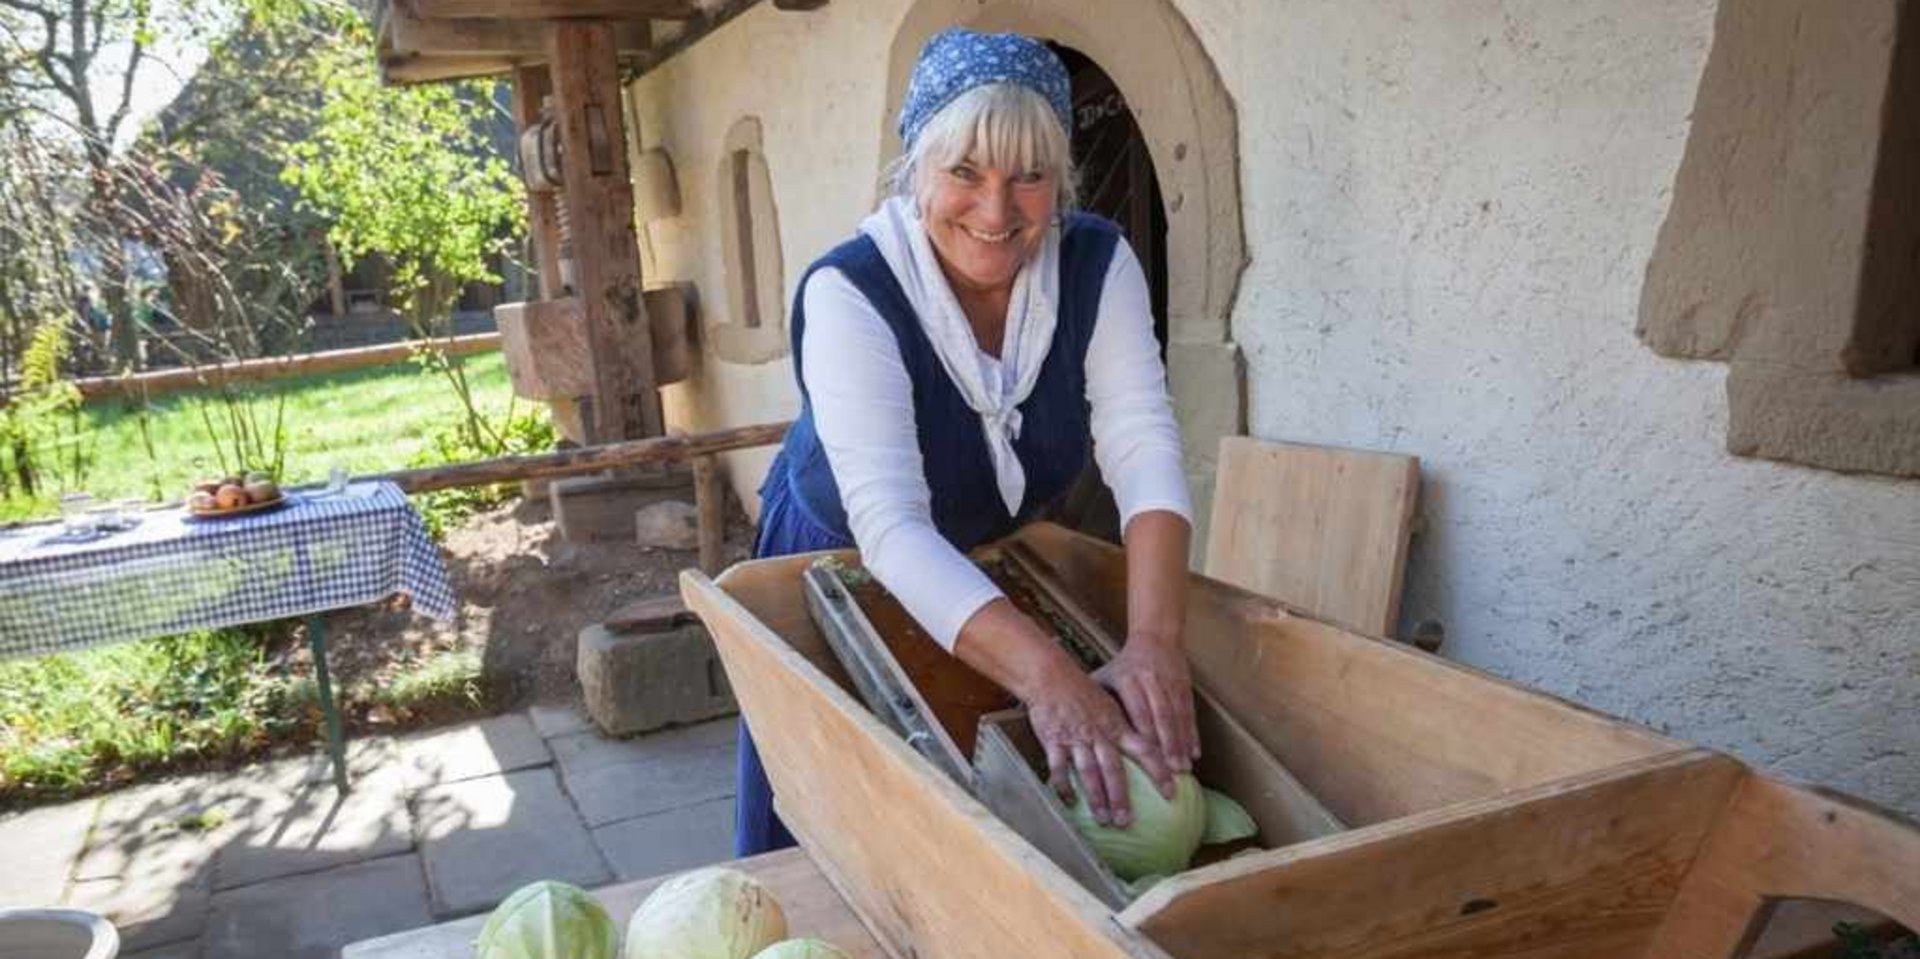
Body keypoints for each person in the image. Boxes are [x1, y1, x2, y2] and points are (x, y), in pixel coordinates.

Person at [736, 28, 1198, 856]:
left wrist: (1156, 642)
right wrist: (1051, 677)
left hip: (984, 570)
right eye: (964, 173)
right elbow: (894, 529)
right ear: (917, 167)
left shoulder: (1095, 263)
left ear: (1062, 178)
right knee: (837, 832)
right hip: (838, 563)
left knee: (972, 840)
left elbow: (1142, 442)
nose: (997, 211)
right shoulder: (854, 291)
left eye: (1030, 175)